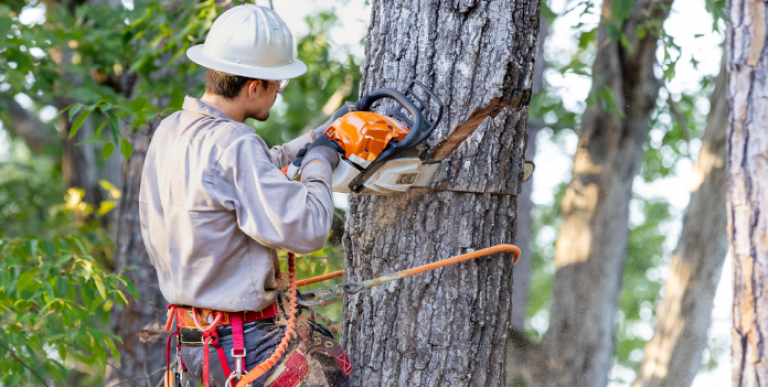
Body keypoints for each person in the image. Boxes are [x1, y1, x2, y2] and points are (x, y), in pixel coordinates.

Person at [138, 5, 351, 387]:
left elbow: (247, 173)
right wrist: (320, 162)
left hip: (195, 344)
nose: (277, 95)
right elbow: (308, 228)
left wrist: (321, 135)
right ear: (255, 87)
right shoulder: (234, 143)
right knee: (330, 371)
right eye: (277, 86)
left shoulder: (172, 130)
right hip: (242, 343)